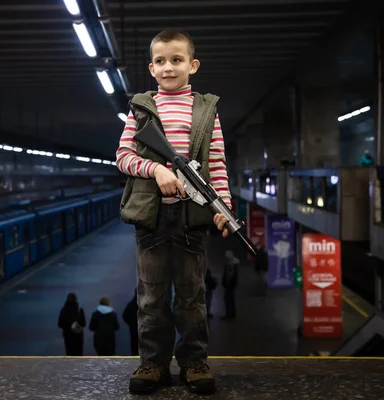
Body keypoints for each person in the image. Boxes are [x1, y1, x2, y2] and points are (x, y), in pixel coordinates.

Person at [115, 29, 232, 395]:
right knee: (150, 297)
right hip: (151, 219)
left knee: (191, 297)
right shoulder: (139, 108)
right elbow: (123, 158)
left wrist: (223, 209)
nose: (169, 67)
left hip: (190, 219)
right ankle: (153, 364)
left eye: (177, 60)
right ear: (152, 68)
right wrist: (158, 170)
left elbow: (216, 165)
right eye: (161, 61)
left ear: (192, 65)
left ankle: (194, 363)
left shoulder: (206, 111)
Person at [222, 251, 240, 320]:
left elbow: (229, 274)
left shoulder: (230, 263)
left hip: (229, 284)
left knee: (227, 299)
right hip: (231, 284)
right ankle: (232, 313)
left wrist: (226, 282)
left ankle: (228, 314)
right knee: (231, 299)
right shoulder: (234, 262)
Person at [122, 289, 139, 355]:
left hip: (133, 328)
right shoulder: (145, 305)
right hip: (145, 327)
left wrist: (131, 324)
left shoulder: (131, 304)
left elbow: (125, 316)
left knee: (134, 347)